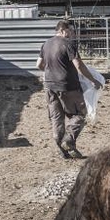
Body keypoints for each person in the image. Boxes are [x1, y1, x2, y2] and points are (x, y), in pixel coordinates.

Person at [36, 20, 103, 159]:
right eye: (70, 31)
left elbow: (39, 64)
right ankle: (68, 140)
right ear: (62, 30)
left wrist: (51, 72)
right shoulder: (69, 44)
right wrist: (93, 80)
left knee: (56, 118)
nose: (72, 34)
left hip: (49, 86)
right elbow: (79, 65)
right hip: (68, 86)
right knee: (79, 114)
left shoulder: (46, 44)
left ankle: (63, 150)